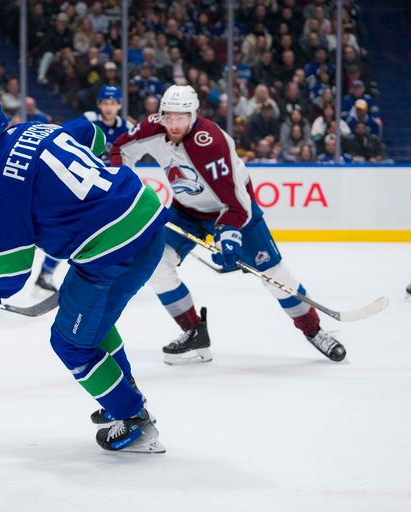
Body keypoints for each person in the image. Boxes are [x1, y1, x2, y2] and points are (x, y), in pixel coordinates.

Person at [0, 91, 171, 453]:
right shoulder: (36, 128)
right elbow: (93, 133)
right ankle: (122, 395)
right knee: (92, 324)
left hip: (111, 254)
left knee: (70, 343)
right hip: (147, 218)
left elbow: (10, 273)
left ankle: (133, 419)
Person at [110, 85, 346, 365]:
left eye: (181, 118)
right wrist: (121, 187)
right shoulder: (153, 128)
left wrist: (228, 236)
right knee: (158, 264)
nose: (173, 124)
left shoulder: (210, 144)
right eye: (168, 117)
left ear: (193, 115)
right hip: (186, 211)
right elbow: (119, 150)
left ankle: (314, 330)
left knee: (274, 274)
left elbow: (236, 203)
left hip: (234, 210)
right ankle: (194, 332)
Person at [34, 85, 134, 292]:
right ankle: (47, 273)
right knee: (75, 228)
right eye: (105, 103)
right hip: (81, 184)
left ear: (119, 105)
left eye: (113, 103)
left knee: (108, 231)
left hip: (106, 188)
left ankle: (103, 276)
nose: (108, 107)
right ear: (98, 104)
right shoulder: (89, 119)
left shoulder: (127, 126)